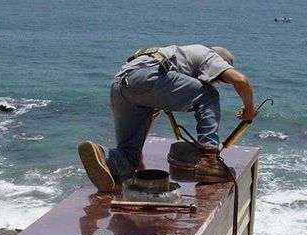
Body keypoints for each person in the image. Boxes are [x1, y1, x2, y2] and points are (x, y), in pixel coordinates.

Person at [77, 44, 255, 192]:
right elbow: (241, 81)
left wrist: (138, 157)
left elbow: (151, 116)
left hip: (121, 86)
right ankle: (210, 160)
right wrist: (249, 109)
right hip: (148, 75)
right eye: (220, 79)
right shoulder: (208, 54)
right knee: (209, 95)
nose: (216, 82)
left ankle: (104, 155)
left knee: (129, 156)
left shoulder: (177, 65)